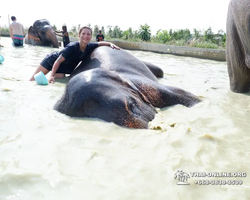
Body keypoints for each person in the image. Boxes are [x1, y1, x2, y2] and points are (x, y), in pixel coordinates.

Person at [30, 26, 120, 84]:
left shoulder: (89, 46)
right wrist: (52, 76)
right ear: (79, 35)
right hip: (51, 61)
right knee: (33, 80)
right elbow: (58, 61)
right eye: (83, 33)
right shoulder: (72, 47)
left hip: (62, 68)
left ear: (91, 36)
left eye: (88, 34)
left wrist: (111, 44)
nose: (86, 36)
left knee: (59, 81)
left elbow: (100, 44)